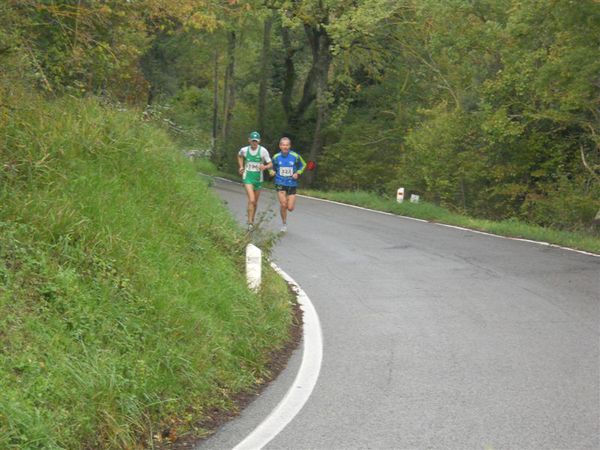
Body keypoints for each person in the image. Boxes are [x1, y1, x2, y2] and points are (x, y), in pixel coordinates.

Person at [237, 131, 272, 230]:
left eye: (256, 141)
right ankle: (250, 222)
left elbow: (270, 164)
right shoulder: (244, 150)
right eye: (252, 141)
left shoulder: (263, 151)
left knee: (255, 202)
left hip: (258, 179)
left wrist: (264, 167)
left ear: (259, 141)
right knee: (251, 200)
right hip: (247, 177)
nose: (254, 143)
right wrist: (241, 167)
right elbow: (239, 155)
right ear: (249, 140)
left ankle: (251, 219)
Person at [271, 137, 306, 232]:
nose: (285, 147)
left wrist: (298, 173)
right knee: (283, 204)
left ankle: (287, 202)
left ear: (289, 146)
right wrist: (271, 171)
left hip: (292, 184)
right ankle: (284, 223)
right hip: (280, 182)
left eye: (287, 145)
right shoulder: (276, 157)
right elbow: (271, 167)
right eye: (283, 145)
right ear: (280, 146)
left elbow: (303, 165)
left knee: (290, 208)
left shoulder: (295, 156)